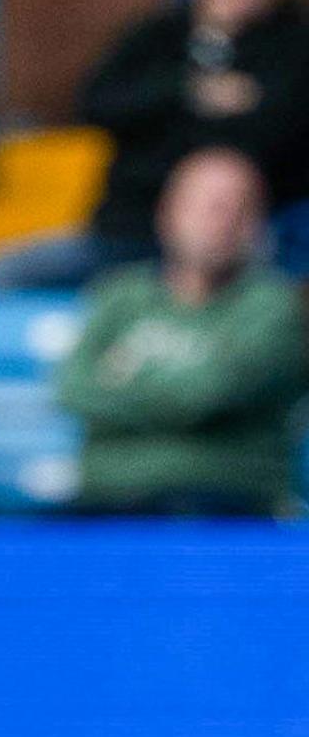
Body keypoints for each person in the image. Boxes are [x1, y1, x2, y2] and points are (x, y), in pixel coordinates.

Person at [57, 0, 309, 283]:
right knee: (4, 276)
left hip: (247, 255)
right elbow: (94, 104)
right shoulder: (155, 36)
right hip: (127, 237)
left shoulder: (294, 47)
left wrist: (163, 120)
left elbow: (275, 130)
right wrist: (190, 92)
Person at [58, 147, 309, 512]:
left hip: (224, 505)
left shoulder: (275, 306)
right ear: (167, 213)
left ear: (258, 223)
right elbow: (72, 389)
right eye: (207, 205)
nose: (222, 221)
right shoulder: (119, 295)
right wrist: (177, 395)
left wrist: (124, 380)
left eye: (238, 208)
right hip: (102, 501)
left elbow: (206, 395)